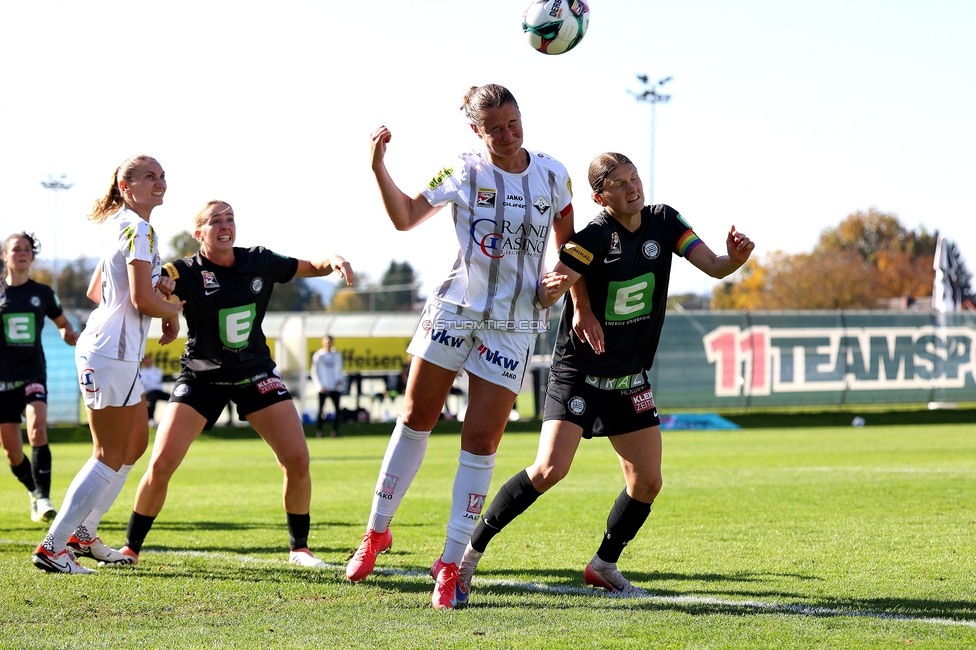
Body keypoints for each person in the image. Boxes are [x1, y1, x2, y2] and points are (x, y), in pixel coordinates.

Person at [455, 152, 755, 601]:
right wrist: (560, 296)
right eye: (619, 183)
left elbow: (713, 266)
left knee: (648, 483)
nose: (633, 187)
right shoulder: (594, 234)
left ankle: (603, 564)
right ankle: (466, 558)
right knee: (549, 470)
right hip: (580, 371)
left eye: (634, 178)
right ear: (601, 196)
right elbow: (554, 282)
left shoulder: (665, 220)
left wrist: (732, 260)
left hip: (629, 376)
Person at [345, 83, 577, 610]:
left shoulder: (553, 173)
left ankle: (449, 563)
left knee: (481, 442)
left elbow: (569, 249)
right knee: (416, 417)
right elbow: (405, 217)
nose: (507, 134)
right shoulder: (463, 168)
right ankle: (376, 532)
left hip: (514, 324)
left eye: (513, 122)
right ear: (476, 131)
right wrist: (378, 167)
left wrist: (558, 282)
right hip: (455, 309)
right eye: (494, 128)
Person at [117, 200, 353, 568]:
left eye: (229, 219)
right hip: (202, 377)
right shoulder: (183, 269)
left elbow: (310, 266)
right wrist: (165, 291)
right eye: (215, 221)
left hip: (254, 373)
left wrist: (333, 259)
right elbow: (156, 284)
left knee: (297, 459)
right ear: (199, 234)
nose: (225, 226)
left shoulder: (258, 259)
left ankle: (299, 549)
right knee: (161, 463)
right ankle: (130, 548)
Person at [32, 154, 183, 574]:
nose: (160, 182)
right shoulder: (137, 227)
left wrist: (159, 288)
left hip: (118, 354)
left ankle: (84, 532)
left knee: (134, 444)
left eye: (162, 176)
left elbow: (101, 290)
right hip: (110, 353)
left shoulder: (127, 225)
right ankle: (53, 546)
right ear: (125, 186)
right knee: (107, 453)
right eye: (149, 176)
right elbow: (139, 301)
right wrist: (172, 309)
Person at [1, 232, 79, 524]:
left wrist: (69, 336)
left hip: (32, 373)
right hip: (2, 382)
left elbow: (62, 324)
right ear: (4, 256)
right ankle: (34, 493)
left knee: (37, 429)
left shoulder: (43, 293)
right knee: (11, 452)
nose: (22, 254)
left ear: (31, 257)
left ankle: (44, 498)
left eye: (26, 250)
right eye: (16, 249)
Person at [311, 335, 344, 437]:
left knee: (337, 410)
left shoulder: (337, 355)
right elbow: (314, 373)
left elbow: (340, 370)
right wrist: (320, 386)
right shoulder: (318, 356)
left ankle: (335, 431)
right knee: (321, 410)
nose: (328, 342)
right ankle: (319, 431)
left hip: (335, 386)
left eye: (330, 340)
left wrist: (340, 381)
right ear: (323, 342)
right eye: (327, 340)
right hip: (323, 387)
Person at [141, 355, 169, 427]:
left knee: (171, 398)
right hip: (149, 391)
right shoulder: (141, 371)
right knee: (152, 399)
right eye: (146, 360)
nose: (147, 362)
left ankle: (169, 418)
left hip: (158, 390)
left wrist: (153, 383)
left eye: (148, 360)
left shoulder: (157, 370)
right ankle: (151, 419)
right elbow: (145, 383)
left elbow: (158, 380)